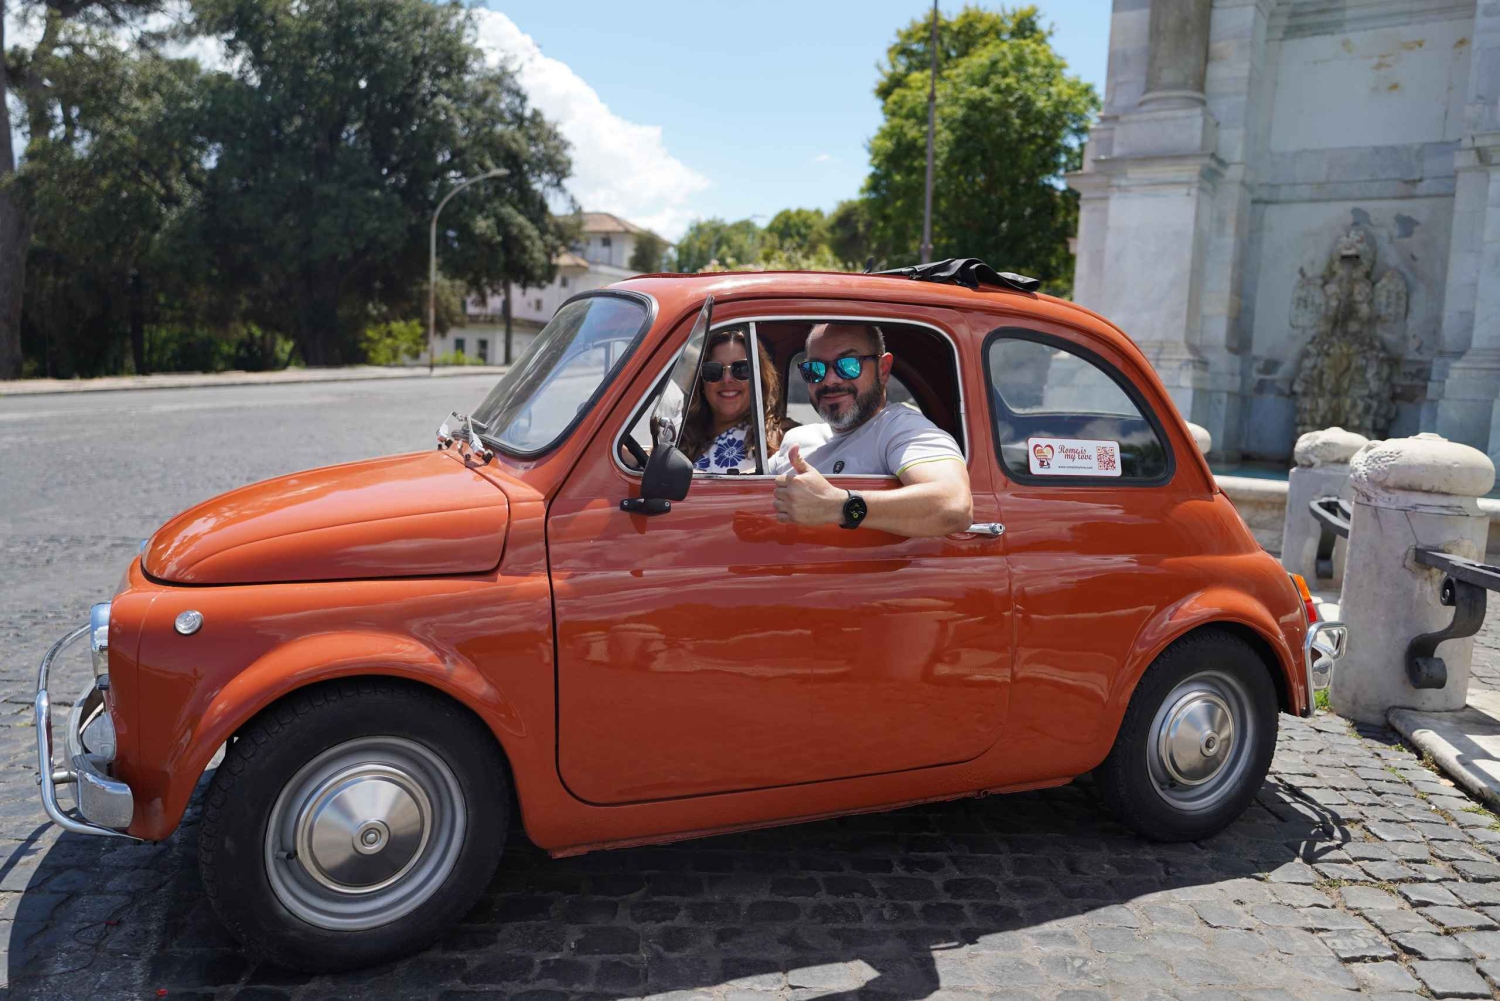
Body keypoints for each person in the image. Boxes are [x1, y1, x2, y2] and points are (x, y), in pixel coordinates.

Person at [767, 323, 972, 538]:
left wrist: (838, 506)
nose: (830, 380)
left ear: (883, 369)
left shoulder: (899, 428)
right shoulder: (797, 439)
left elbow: (954, 506)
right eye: (815, 369)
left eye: (848, 365)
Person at [675, 327, 786, 474]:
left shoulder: (781, 438)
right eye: (714, 370)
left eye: (741, 369)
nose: (727, 380)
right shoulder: (681, 436)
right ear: (701, 382)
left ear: (759, 379)